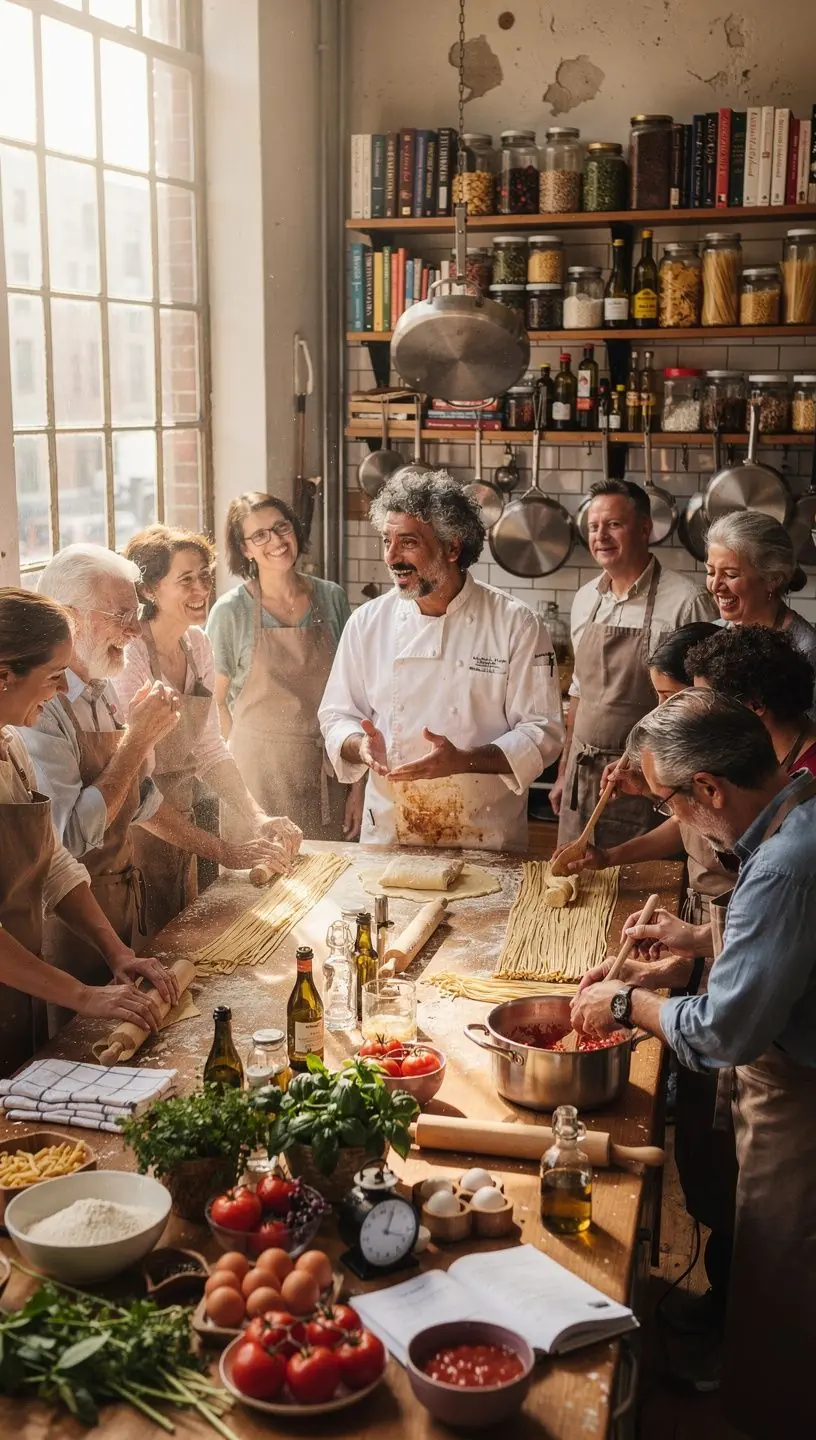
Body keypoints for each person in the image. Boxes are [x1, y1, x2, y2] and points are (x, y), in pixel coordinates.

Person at [570, 691, 816, 1438]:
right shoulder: (799, 811)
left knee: (781, 1280)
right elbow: (789, 944)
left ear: (708, 787)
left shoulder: (782, 866)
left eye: (669, 801)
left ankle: (766, 1421)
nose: (671, 816)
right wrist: (696, 948)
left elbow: (726, 1031)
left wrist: (627, 1004)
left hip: (799, 1095)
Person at [23, 545, 290, 1029]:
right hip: (68, 927)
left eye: (135, 613)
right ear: (70, 617)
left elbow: (142, 801)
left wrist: (226, 850)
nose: (133, 629)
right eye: (121, 615)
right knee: (77, 1044)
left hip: (119, 908)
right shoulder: (40, 711)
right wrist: (137, 741)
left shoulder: (103, 688)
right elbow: (70, 841)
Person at [318, 469, 564, 850]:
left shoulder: (516, 624)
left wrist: (463, 760)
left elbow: (542, 731)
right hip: (391, 832)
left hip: (484, 836)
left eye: (408, 542)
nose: (391, 557)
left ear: (452, 548)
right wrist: (359, 745)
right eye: (387, 541)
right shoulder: (368, 622)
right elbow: (337, 715)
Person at [0, 589, 176, 1075]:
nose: (62, 690)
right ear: (4, 675)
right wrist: (82, 995)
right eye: (54, 676)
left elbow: (52, 861)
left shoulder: (12, 746)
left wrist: (117, 953)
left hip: (19, 987)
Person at [118, 525, 301, 937]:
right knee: (148, 947)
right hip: (136, 835)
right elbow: (137, 789)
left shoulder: (196, 643)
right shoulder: (130, 656)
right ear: (149, 590)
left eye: (204, 575)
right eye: (186, 579)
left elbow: (210, 750)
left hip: (182, 828)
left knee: (184, 944)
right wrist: (223, 851)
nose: (201, 588)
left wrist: (257, 817)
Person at [550, 478, 715, 850]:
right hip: (582, 776)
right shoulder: (585, 599)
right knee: (575, 876)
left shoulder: (686, 601)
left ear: (644, 528)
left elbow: (704, 705)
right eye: (594, 526)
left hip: (647, 782)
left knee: (637, 882)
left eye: (614, 524)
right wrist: (563, 771)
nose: (601, 536)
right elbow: (579, 692)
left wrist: (657, 775)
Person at [206, 493, 363, 842]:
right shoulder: (230, 612)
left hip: (326, 774)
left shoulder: (332, 598)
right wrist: (237, 776)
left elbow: (356, 695)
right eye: (259, 535)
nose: (276, 541)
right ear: (245, 549)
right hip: (256, 780)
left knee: (330, 873)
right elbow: (215, 704)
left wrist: (358, 787)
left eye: (281, 527)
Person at [705, 510, 816, 707]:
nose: (715, 586)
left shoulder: (804, 649)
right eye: (711, 572)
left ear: (773, 579)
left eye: (730, 575)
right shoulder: (713, 633)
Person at [686, 623, 816, 776]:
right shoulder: (761, 751)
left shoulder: (809, 774)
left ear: (755, 705)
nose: (700, 713)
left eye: (707, 701)